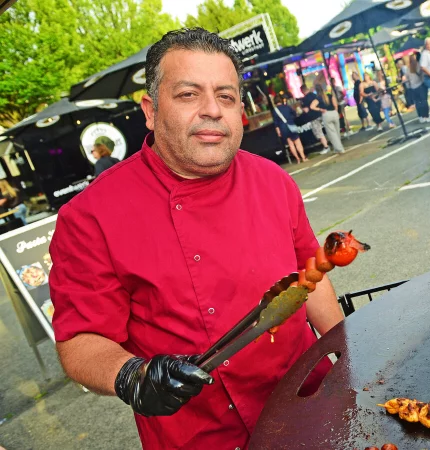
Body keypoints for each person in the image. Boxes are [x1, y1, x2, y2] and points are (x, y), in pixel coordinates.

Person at [49, 27, 344, 449]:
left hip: (308, 403)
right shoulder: (89, 216)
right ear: (151, 111)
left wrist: (348, 356)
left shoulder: (273, 179)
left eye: (226, 96)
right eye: (189, 94)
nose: (212, 110)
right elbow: (79, 341)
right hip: (201, 433)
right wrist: (132, 375)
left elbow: (310, 274)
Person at [310, 83, 346, 153]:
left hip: (326, 114)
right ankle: (338, 147)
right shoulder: (330, 95)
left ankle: (339, 148)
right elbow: (335, 104)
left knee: (332, 133)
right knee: (337, 131)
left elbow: (312, 106)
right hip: (334, 113)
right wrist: (336, 112)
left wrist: (320, 109)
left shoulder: (318, 98)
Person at [273, 94, 307, 163]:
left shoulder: (275, 110)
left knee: (290, 144)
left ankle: (297, 159)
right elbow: (294, 114)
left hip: (283, 128)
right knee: (297, 142)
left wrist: (278, 131)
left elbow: (276, 123)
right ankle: (303, 157)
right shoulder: (287, 107)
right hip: (291, 125)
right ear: (281, 100)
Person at [301, 84, 330, 153]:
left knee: (319, 132)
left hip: (313, 117)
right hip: (321, 114)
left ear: (302, 91)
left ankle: (326, 146)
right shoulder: (314, 95)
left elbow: (306, 110)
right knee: (327, 129)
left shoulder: (304, 99)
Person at [406, 55, 430, 122]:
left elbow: (407, 79)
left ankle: (421, 116)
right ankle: (426, 116)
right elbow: (422, 74)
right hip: (420, 85)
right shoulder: (418, 65)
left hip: (413, 88)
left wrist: (409, 87)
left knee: (417, 103)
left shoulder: (408, 68)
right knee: (424, 101)